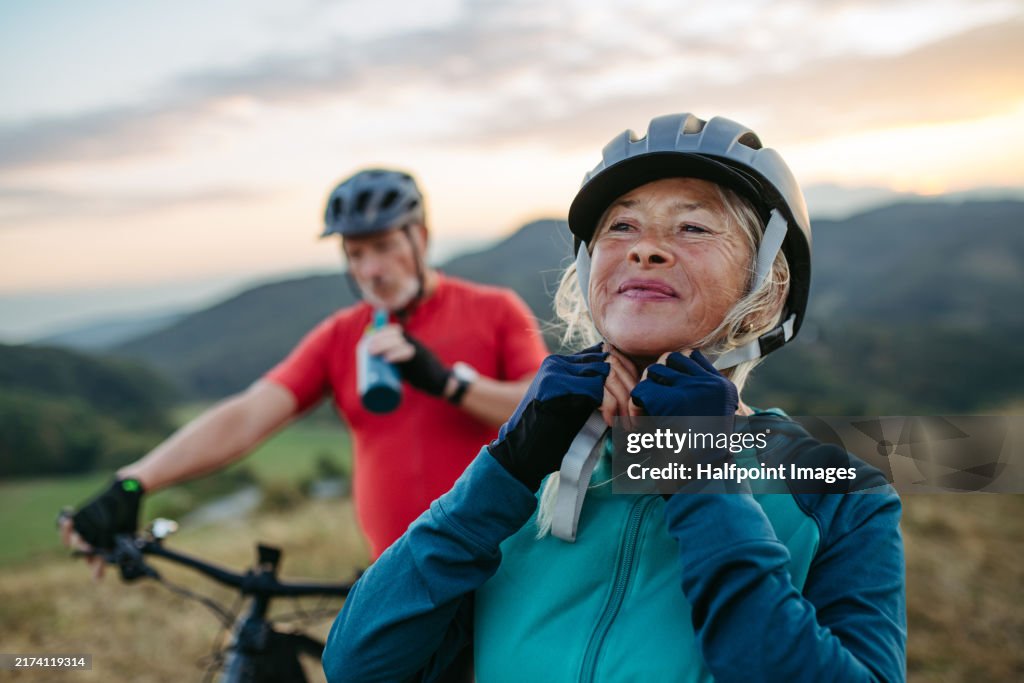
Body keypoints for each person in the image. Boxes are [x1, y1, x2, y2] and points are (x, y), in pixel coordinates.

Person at [322, 114, 906, 682]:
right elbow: (357, 663)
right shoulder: (529, 479)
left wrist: (700, 466)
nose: (645, 249)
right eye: (621, 228)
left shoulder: (840, 495)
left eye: (693, 227)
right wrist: (508, 465)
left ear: (766, 284)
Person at [61, 168, 548, 568]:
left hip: (502, 562)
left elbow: (543, 407)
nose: (370, 270)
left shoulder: (494, 309)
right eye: (355, 253)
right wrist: (134, 481)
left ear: (419, 238)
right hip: (398, 574)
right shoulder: (342, 335)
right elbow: (248, 415)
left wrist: (449, 383)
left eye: (383, 246)